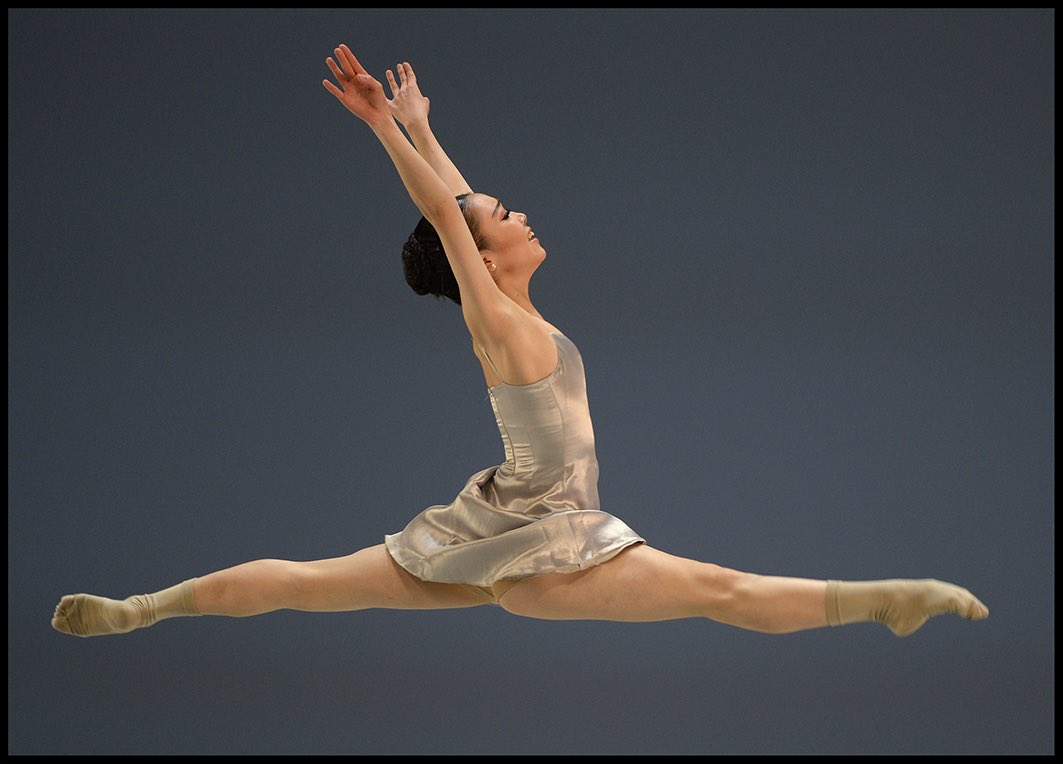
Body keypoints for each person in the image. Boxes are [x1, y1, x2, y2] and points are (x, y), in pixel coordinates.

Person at [51, 44, 989, 639]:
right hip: (549, 547)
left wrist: (424, 126)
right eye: (507, 214)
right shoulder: (494, 318)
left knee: (306, 580)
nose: (521, 211)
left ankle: (145, 609)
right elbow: (447, 216)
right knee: (719, 589)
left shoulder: (510, 309)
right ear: (480, 259)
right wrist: (386, 131)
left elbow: (459, 210)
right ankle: (886, 599)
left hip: (491, 528)